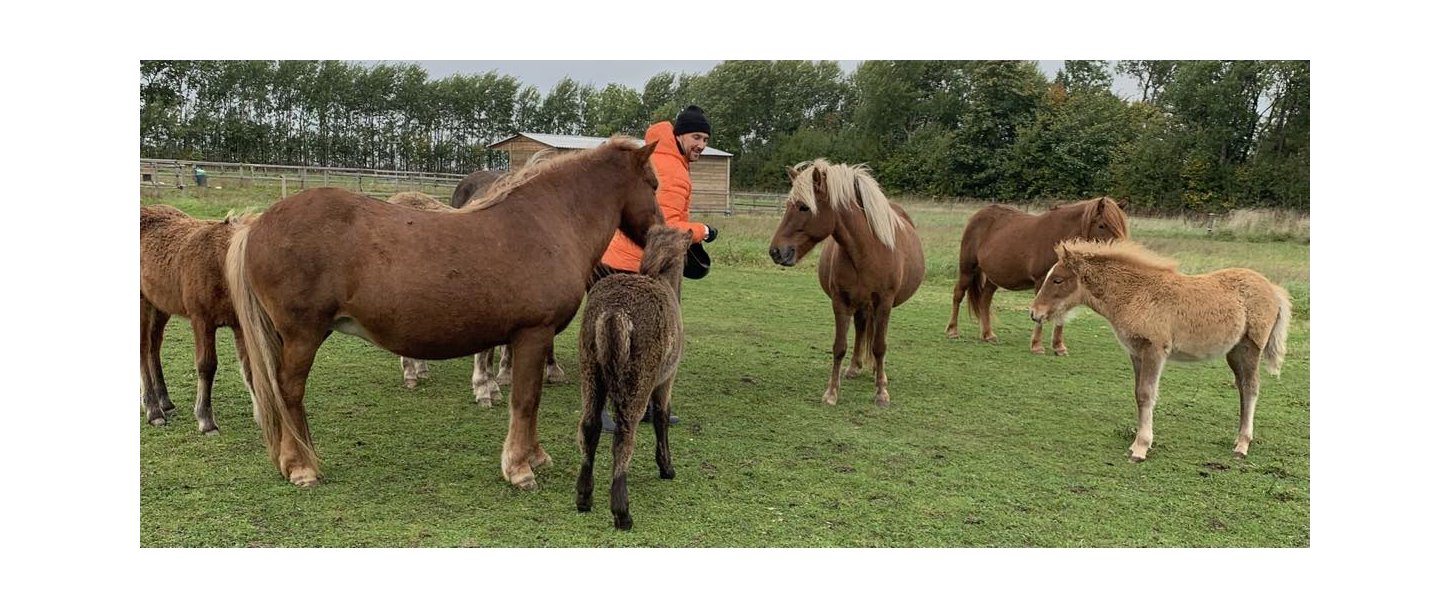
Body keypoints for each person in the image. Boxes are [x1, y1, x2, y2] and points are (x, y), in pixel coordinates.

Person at [593, 105, 719, 432]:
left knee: (628, 337)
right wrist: (703, 230)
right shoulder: (673, 171)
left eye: (705, 138)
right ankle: (612, 409)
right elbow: (669, 229)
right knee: (630, 339)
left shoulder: (658, 158)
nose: (701, 144)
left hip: (616, 260)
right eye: (696, 136)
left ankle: (642, 406)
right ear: (678, 135)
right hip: (636, 265)